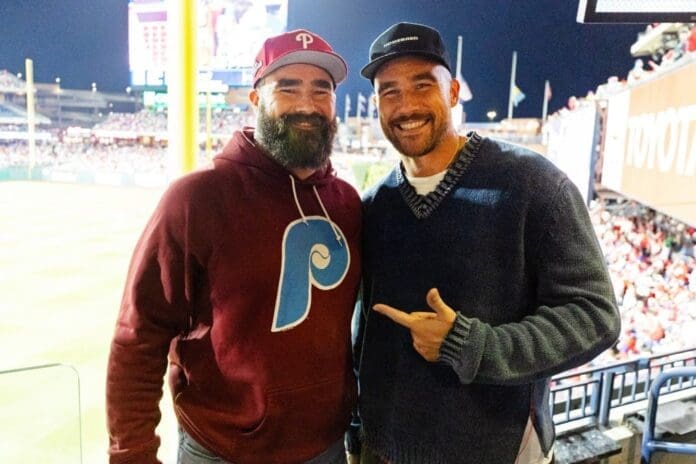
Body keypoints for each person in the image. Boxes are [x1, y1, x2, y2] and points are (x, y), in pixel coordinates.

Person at [350, 22, 621, 464]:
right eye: (389, 91)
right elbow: (367, 334)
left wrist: (469, 345)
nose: (406, 105)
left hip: (495, 449)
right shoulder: (375, 204)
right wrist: (358, 429)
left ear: (453, 92)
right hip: (383, 449)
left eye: (422, 85)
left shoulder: (535, 185)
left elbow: (595, 316)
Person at [107, 29, 361, 464]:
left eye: (322, 89)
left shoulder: (347, 203)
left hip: (326, 448)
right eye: (287, 87)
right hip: (223, 450)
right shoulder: (196, 198)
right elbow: (139, 336)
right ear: (255, 99)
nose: (307, 104)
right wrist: (132, 452)